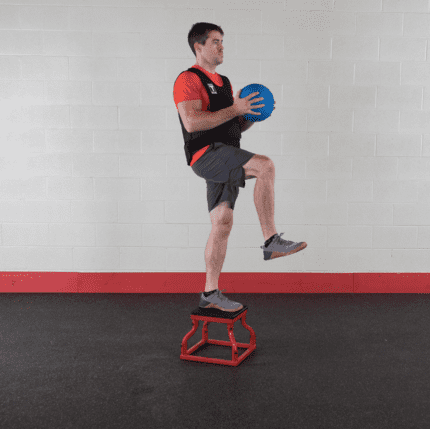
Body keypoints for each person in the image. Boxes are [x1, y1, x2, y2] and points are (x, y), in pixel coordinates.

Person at [173, 22, 307, 312]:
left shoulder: (225, 82)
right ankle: (271, 240)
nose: (222, 47)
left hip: (226, 152)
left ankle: (209, 293)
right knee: (265, 166)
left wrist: (250, 115)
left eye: (223, 42)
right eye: (215, 42)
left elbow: (230, 125)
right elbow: (192, 122)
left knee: (222, 222)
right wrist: (235, 109)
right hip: (206, 155)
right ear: (199, 47)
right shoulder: (188, 79)